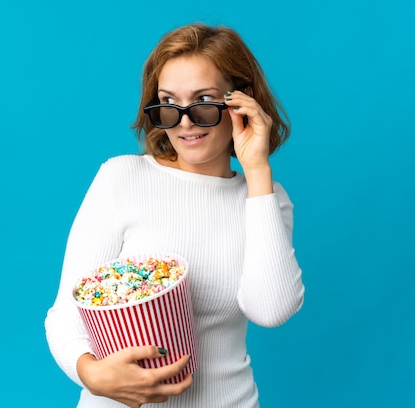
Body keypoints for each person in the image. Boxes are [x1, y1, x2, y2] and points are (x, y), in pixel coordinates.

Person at [45, 23, 305, 408]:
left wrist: (257, 171)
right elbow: (67, 311)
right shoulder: (122, 178)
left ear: (241, 101)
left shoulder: (265, 199)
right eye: (169, 104)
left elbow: (271, 309)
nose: (184, 123)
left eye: (202, 101)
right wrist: (91, 373)